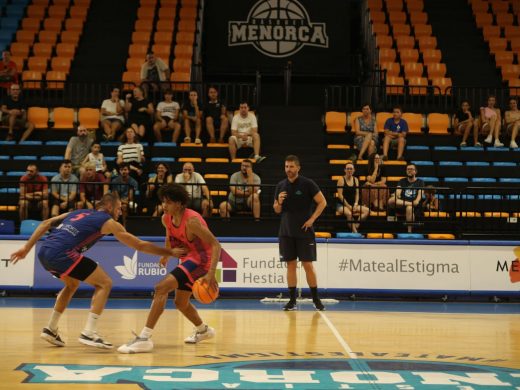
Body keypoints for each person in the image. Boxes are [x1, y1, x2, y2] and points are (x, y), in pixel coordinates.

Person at [10, 192, 184, 349]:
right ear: (109, 206)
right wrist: (169, 252)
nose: (120, 212)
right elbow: (139, 245)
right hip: (62, 253)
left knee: (71, 284)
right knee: (105, 283)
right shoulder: (107, 221)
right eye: (119, 208)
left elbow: (46, 222)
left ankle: (51, 328)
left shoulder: (78, 212)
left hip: (44, 251)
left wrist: (26, 248)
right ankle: (89, 332)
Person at [118, 184, 220, 353]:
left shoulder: (192, 222)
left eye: (169, 202)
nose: (164, 205)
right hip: (189, 259)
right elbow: (169, 237)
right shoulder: (166, 218)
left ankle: (144, 337)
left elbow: (216, 245)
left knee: (161, 287)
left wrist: (211, 274)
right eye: (163, 201)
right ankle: (203, 330)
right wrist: (166, 255)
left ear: (179, 204)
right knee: (180, 303)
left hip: (202, 262)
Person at [273, 155, 327, 311]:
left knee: (307, 265)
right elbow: (276, 210)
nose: (288, 170)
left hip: (304, 231)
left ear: (298, 168)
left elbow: (323, 202)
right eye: (286, 167)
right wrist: (280, 202)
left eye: (291, 167)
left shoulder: (307, 183)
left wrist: (312, 219)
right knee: (290, 265)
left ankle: (316, 299)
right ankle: (292, 300)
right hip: (286, 232)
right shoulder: (280, 185)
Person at [387, 163, 425, 233]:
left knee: (409, 208)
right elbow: (398, 192)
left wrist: (416, 202)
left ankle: (409, 231)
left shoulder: (420, 182)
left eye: (411, 169)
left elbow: (419, 197)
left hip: (415, 207)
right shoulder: (402, 181)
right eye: (408, 169)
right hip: (403, 204)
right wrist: (395, 196)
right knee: (391, 200)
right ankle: (409, 204)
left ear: (415, 171)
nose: (409, 171)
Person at [336, 163, 369, 233]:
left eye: (351, 169)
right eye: (348, 169)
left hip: (353, 204)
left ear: (354, 170)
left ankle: (356, 225)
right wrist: (348, 206)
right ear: (345, 170)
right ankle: (355, 232)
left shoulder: (356, 179)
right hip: (342, 204)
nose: (349, 170)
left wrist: (356, 203)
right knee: (349, 214)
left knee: (367, 210)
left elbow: (357, 194)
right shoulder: (341, 180)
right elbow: (340, 195)